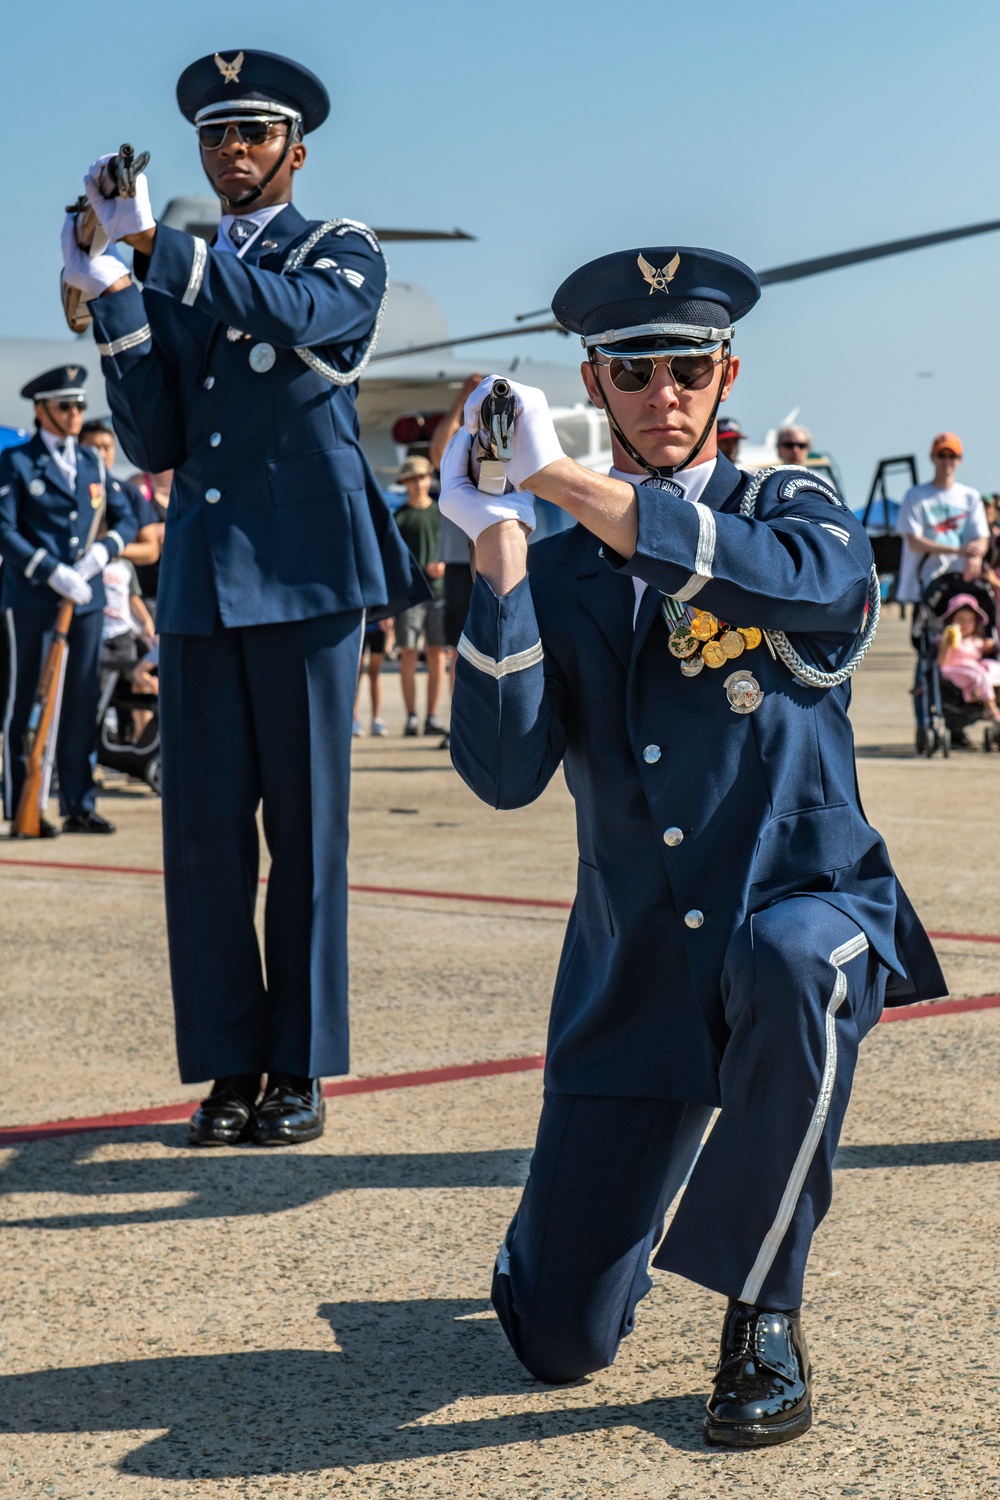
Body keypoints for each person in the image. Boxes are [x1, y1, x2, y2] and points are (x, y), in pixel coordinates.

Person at [438, 246, 945, 1448]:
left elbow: (801, 586)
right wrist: (498, 555)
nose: (663, 393)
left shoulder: (793, 503)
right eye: (633, 370)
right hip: (639, 972)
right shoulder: (555, 563)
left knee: (799, 969)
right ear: (594, 381)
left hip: (798, 903)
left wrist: (558, 479)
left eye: (686, 368)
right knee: (556, 1344)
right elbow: (504, 775)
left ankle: (762, 1309)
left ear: (727, 375)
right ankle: (578, 1230)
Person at [61, 50, 426, 1146]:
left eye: (254, 134)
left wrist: (155, 252)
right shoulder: (180, 271)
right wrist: (116, 301)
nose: (233, 152)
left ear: (294, 150)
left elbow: (308, 320)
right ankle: (228, 1068)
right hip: (208, 582)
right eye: (217, 136)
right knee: (204, 840)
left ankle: (300, 1069)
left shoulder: (338, 248)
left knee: (307, 833)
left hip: (310, 572)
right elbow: (157, 435)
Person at [0, 366, 136, 835]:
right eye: (66, 406)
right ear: (41, 411)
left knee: (80, 702)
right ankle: (25, 803)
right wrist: (49, 569)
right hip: (36, 598)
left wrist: (102, 553)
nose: (76, 414)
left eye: (79, 406)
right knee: (30, 703)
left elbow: (127, 519)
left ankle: (78, 802)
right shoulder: (16, 462)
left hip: (87, 600)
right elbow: (4, 528)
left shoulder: (93, 463)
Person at [894, 434, 988, 605]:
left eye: (952, 456)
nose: (947, 461)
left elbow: (982, 537)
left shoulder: (970, 496)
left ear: (960, 459)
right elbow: (914, 541)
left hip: (962, 582)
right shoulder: (915, 495)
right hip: (925, 582)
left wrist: (976, 554)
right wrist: (959, 550)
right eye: (941, 455)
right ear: (932, 457)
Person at [391, 455, 448, 736]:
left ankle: (433, 717)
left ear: (429, 479)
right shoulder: (398, 518)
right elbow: (391, 559)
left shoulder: (442, 512)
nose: (417, 483)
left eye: (421, 477)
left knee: (438, 655)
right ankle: (412, 716)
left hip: (439, 592)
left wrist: (444, 564)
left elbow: (454, 546)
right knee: (408, 653)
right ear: (405, 483)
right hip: (410, 595)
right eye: (411, 479)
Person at [80, 420, 164, 575]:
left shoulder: (127, 491)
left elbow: (151, 550)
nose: (101, 454)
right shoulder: (68, 488)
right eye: (94, 447)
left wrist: (106, 548)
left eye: (107, 448)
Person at [937, 593, 1000, 720]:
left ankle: (993, 696)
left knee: (992, 666)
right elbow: (942, 662)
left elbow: (984, 647)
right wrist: (946, 646)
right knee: (979, 674)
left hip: (975, 669)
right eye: (961, 619)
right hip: (954, 669)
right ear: (951, 620)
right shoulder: (947, 639)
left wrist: (989, 645)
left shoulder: (974, 640)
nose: (965, 624)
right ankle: (990, 707)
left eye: (970, 620)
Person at [353, 617, 391, 736]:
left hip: (378, 623)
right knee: (356, 674)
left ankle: (375, 719)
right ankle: (354, 719)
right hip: (359, 623)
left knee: (375, 673)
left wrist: (388, 615)